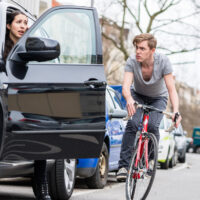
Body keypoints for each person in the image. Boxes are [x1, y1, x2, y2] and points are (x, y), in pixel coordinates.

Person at [116, 33, 182, 181]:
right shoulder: (132, 61)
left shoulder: (163, 61)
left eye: (142, 48)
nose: (137, 52)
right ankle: (123, 166)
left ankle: (151, 160)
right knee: (132, 124)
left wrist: (176, 111)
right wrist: (129, 99)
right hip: (137, 95)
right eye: (136, 48)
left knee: (152, 126)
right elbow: (126, 86)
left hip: (158, 98)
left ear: (152, 50)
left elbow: (171, 89)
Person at [4, 10, 52, 200]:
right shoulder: (2, 48)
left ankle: (41, 184)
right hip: (5, 100)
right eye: (18, 22)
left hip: (28, 99)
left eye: (26, 22)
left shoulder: (32, 48)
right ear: (8, 25)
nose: (23, 26)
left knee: (40, 135)